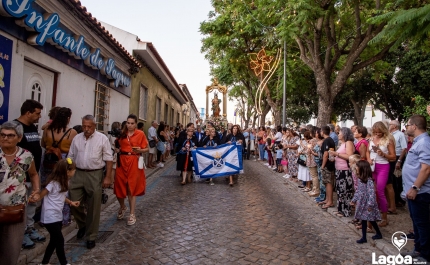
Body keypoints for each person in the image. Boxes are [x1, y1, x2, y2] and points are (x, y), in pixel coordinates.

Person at [68, 115, 113, 249]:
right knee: (73, 203)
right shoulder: (76, 138)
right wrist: (70, 168)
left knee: (94, 206)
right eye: (84, 126)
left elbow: (109, 159)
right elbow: (70, 156)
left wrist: (108, 177)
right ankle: (83, 225)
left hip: (95, 174)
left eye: (89, 126)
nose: (86, 129)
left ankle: (91, 236)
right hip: (78, 173)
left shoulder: (102, 139)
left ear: (95, 126)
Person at [0, 121, 41, 264]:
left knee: (12, 248)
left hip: (16, 209)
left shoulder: (26, 156)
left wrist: (36, 190)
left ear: (19, 137)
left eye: (10, 135)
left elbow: (34, 174)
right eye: (2, 135)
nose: (5, 138)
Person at [36, 158, 79, 265]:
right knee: (59, 240)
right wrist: (35, 197)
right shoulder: (53, 184)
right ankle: (63, 263)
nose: (75, 171)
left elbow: (61, 196)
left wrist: (71, 202)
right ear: (67, 172)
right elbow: (42, 194)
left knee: (54, 241)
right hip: (49, 217)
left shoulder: (64, 183)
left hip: (57, 216)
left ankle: (44, 263)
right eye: (73, 169)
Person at [14, 99, 45, 248]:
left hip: (33, 174)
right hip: (20, 176)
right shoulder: (15, 128)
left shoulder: (32, 127)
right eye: (37, 113)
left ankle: (30, 228)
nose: (39, 116)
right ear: (28, 112)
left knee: (32, 203)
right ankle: (21, 234)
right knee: (22, 206)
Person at [41, 107, 77, 226]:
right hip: (63, 161)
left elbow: (43, 144)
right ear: (68, 118)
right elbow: (74, 149)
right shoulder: (71, 132)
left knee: (47, 189)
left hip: (48, 161)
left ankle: (46, 218)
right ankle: (64, 219)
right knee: (63, 190)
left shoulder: (47, 129)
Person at [401, 115, 430, 262]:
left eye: (408, 125)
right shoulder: (418, 142)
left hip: (421, 192)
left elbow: (426, 169)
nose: (406, 127)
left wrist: (414, 187)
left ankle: (425, 255)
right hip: (413, 192)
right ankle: (418, 250)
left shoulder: (424, 142)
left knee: (422, 224)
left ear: (414, 126)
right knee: (417, 223)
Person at [115, 114, 148, 226]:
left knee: (131, 187)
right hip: (122, 161)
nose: (129, 125)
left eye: (132, 123)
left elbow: (147, 148)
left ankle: (132, 213)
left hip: (134, 160)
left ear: (135, 124)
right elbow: (117, 146)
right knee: (119, 186)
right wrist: (116, 149)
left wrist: (140, 150)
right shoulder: (122, 134)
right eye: (128, 123)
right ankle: (123, 206)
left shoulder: (140, 134)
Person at [367, 121, 396, 227]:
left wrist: (383, 154)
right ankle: (374, 215)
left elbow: (393, 156)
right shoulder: (371, 139)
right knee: (373, 192)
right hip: (373, 166)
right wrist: (369, 158)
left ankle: (384, 217)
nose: (378, 134)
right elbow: (367, 151)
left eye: (380, 132)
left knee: (380, 191)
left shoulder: (388, 140)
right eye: (376, 132)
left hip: (383, 166)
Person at [350, 160, 382, 244]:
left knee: (371, 220)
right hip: (362, 203)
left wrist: (370, 204)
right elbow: (358, 191)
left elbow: (371, 193)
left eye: (357, 166)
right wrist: (354, 200)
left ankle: (378, 233)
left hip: (367, 203)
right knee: (364, 219)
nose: (356, 168)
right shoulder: (360, 179)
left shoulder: (369, 181)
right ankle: (364, 237)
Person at [329, 127, 355, 217]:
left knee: (345, 191)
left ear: (344, 134)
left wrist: (337, 154)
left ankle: (346, 210)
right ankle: (340, 209)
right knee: (340, 190)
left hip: (345, 170)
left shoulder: (348, 143)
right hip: (339, 169)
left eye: (339, 133)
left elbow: (349, 156)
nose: (338, 134)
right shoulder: (342, 143)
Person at [389, 120, 408, 209]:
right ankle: (395, 200)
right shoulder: (390, 135)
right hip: (391, 157)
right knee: (393, 180)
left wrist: (399, 161)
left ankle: (400, 200)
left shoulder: (400, 134)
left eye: (390, 124)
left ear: (395, 126)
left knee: (398, 179)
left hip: (398, 157)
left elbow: (404, 148)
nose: (389, 126)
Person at [318, 126, 336, 210]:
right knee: (326, 182)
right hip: (327, 164)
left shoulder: (328, 140)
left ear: (322, 131)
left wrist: (322, 166)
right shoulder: (328, 140)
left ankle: (330, 201)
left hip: (327, 165)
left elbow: (326, 154)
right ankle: (327, 199)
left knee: (328, 183)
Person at [108, 121, 121, 189]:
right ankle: (111, 183)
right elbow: (115, 144)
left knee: (113, 168)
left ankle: (112, 182)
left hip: (111, 152)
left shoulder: (110, 134)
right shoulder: (114, 135)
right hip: (114, 153)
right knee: (113, 169)